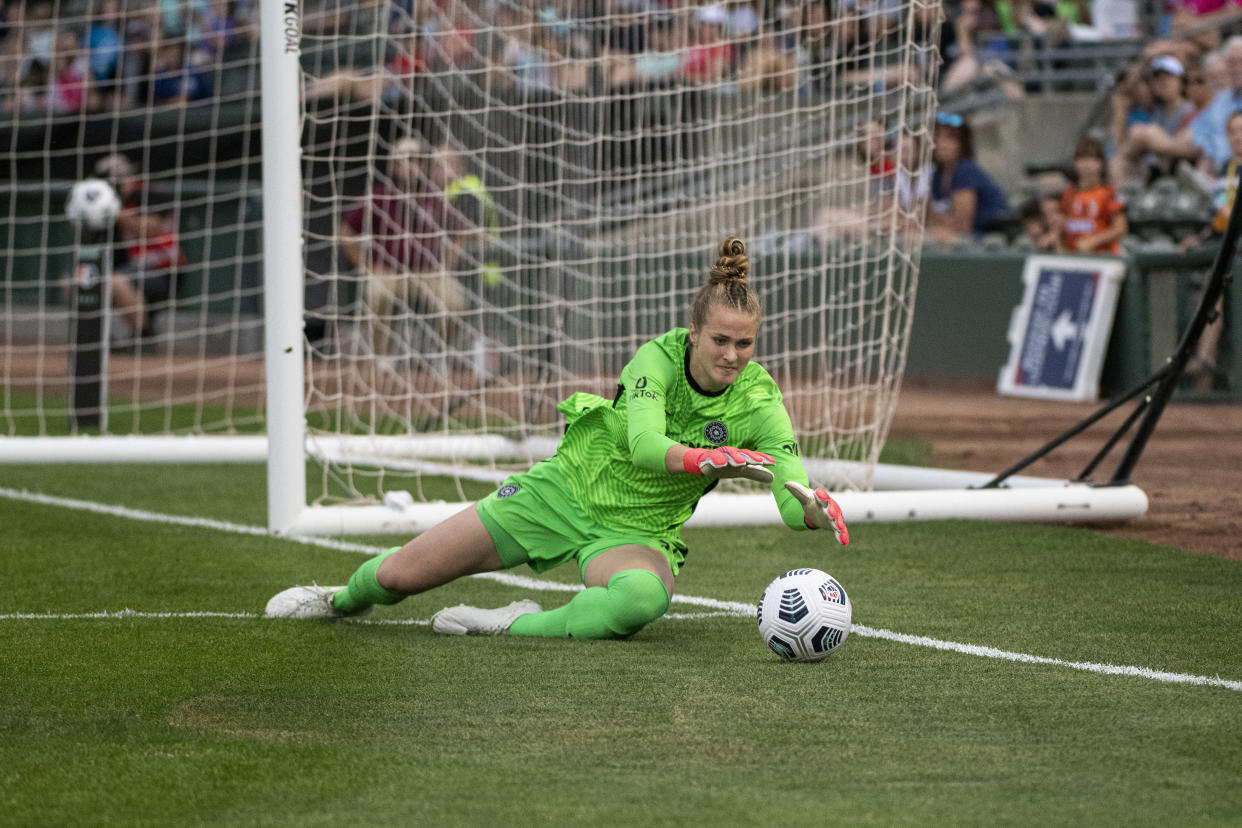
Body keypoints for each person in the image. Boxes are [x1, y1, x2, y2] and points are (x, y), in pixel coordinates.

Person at [265, 236, 850, 639]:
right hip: (562, 493)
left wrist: (811, 510)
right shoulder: (658, 358)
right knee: (399, 577)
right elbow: (646, 446)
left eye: (744, 344)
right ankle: (338, 599)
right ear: (694, 331)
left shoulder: (761, 398)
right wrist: (709, 459)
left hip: (638, 531)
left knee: (640, 603)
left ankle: (509, 622)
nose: (732, 355)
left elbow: (787, 486)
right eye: (720, 340)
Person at [338, 134, 470, 361]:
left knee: (456, 303)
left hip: (428, 272)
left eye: (415, 160)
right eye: (403, 160)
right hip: (389, 270)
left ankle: (435, 356)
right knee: (377, 293)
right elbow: (346, 231)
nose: (409, 166)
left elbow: (460, 231)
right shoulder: (379, 196)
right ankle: (383, 359)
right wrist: (365, 266)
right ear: (393, 165)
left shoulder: (435, 196)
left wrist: (448, 260)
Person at [94, 152, 183, 341]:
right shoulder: (115, 204)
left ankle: (143, 337)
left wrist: (116, 215)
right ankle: (97, 337)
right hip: (134, 269)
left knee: (117, 281)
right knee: (81, 278)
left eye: (125, 177)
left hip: (164, 270)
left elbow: (151, 229)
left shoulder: (150, 194)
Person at [925, 112, 1011, 244]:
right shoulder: (938, 174)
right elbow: (931, 218)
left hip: (988, 238)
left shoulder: (965, 169)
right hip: (961, 235)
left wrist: (941, 221)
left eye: (949, 138)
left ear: (962, 143)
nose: (940, 144)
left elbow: (963, 226)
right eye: (937, 138)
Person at [1060, 137, 1128, 254]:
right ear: (1075, 163)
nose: (1087, 165)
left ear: (1101, 163)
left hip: (1104, 255)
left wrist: (1093, 241)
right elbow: (1063, 223)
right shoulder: (1068, 193)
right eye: (1082, 159)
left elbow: (1120, 228)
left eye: (1092, 159)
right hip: (1074, 256)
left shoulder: (1109, 193)